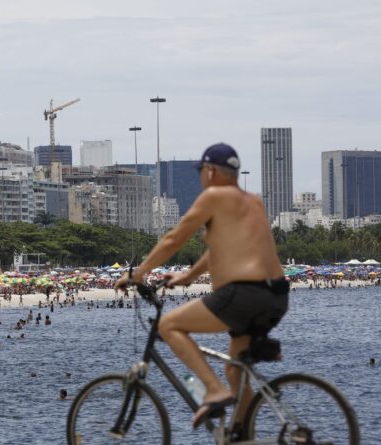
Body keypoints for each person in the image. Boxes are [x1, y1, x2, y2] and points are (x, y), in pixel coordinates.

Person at [116, 143, 289, 432]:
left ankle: (214, 391)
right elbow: (219, 250)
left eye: (201, 171)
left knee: (169, 326)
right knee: (235, 370)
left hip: (243, 294)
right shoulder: (254, 201)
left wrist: (138, 274)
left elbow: (173, 239)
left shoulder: (213, 196)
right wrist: (188, 276)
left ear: (210, 172)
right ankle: (242, 434)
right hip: (276, 296)